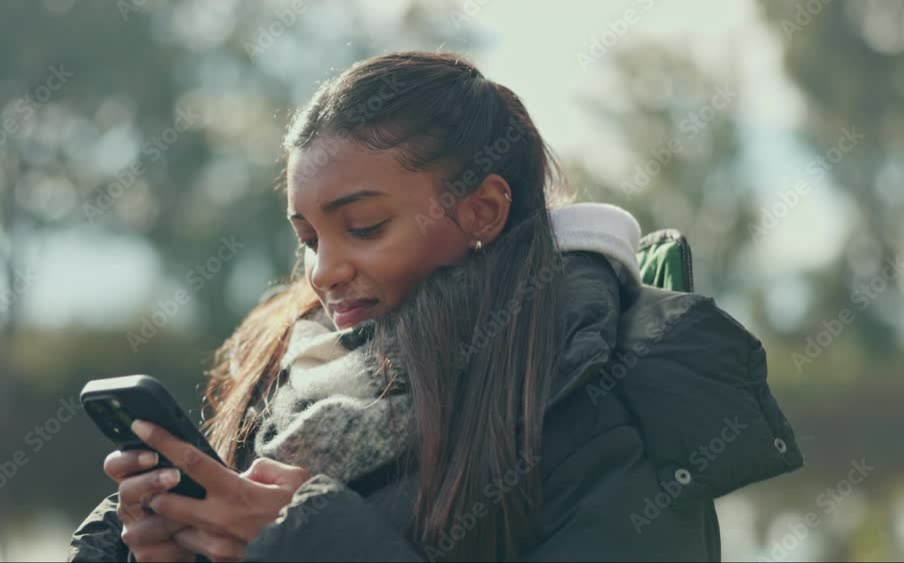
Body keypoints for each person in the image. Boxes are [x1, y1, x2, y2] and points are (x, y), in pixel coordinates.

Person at [68, 50, 803, 562]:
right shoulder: (291, 378)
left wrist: (310, 542)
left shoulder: (593, 404)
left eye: (364, 227)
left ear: (483, 211)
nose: (325, 272)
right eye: (307, 238)